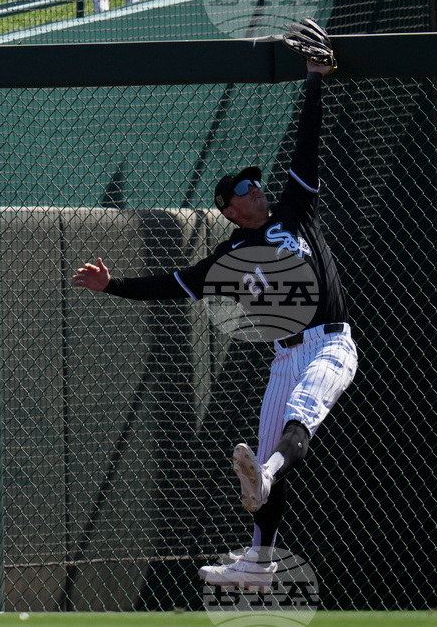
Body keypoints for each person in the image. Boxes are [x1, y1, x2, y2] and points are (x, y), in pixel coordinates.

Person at [72, 59, 357, 593]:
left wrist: (315, 81)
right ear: (228, 210)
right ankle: (259, 562)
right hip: (284, 355)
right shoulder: (229, 254)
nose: (256, 189)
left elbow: (306, 147)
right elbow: (175, 285)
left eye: (257, 182)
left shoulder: (294, 214)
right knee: (269, 447)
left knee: (291, 430)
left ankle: (266, 476)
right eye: (244, 188)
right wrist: (112, 285)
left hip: (329, 344)